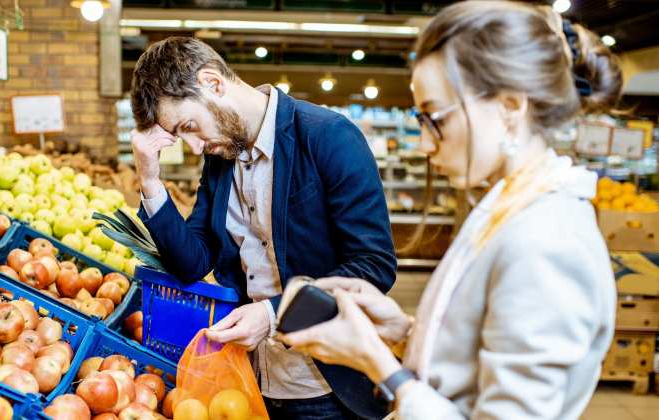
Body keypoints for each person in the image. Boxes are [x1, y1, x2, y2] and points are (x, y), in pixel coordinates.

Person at [279, 2, 621, 419]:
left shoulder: (546, 241)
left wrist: (377, 363)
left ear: (511, 106)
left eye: (434, 118)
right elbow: (477, 366)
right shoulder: (509, 207)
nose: (424, 144)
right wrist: (404, 333)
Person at [129, 37, 397, 419]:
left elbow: (373, 265)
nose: (193, 147)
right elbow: (192, 262)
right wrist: (150, 179)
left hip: (326, 386)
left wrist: (273, 313)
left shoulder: (327, 136)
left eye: (189, 126)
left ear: (213, 83)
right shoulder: (221, 161)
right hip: (249, 381)